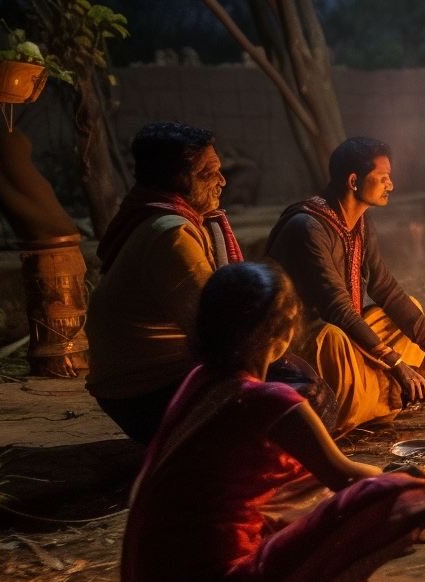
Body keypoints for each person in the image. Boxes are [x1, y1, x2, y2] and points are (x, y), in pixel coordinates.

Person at [121, 262, 425, 582]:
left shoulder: (200, 380)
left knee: (290, 496)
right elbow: (345, 478)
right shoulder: (270, 401)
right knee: (407, 494)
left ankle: (317, 580)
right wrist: (412, 479)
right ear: (280, 330)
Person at [86, 123, 333, 442]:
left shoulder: (177, 221)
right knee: (305, 395)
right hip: (145, 395)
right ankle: (248, 470)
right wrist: (275, 351)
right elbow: (218, 337)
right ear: (177, 179)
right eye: (208, 173)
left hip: (154, 381)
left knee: (299, 376)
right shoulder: (170, 236)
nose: (222, 181)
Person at [267, 137, 425, 435]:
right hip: (302, 346)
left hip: (345, 333)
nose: (390, 186)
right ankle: (380, 400)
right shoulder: (309, 227)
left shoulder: (361, 222)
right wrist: (396, 364)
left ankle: (377, 396)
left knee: (410, 311)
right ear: (354, 181)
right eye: (382, 178)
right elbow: (337, 309)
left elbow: (384, 287)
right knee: (333, 338)